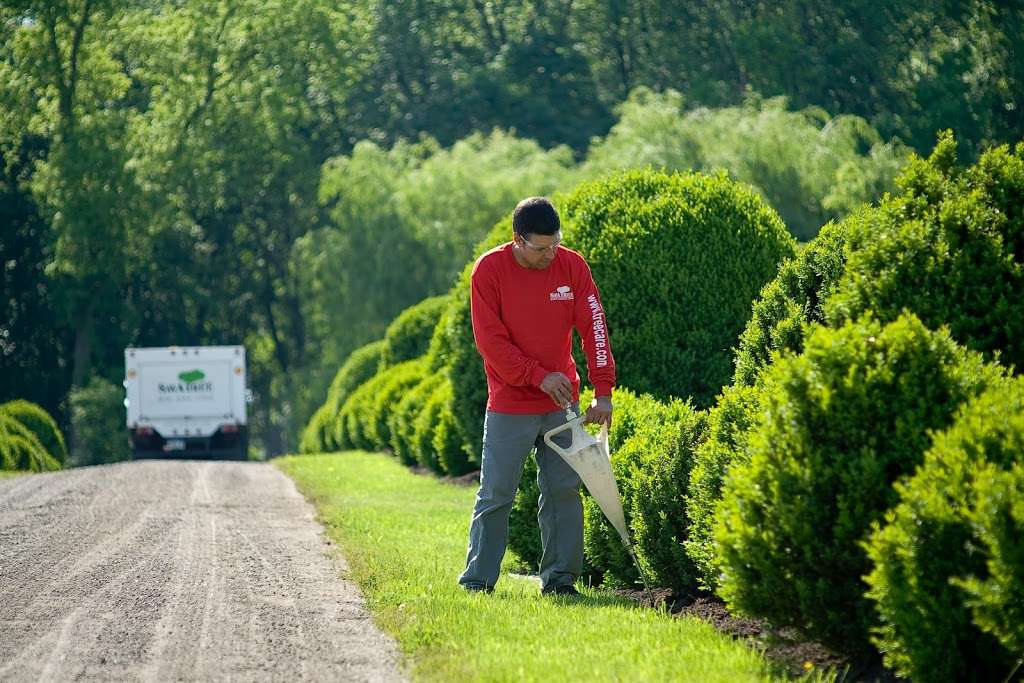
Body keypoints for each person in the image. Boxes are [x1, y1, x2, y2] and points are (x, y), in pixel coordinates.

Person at [458, 196, 616, 596]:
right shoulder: (489, 271)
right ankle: (477, 580)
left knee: (563, 491)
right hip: (510, 403)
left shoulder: (572, 266)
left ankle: (561, 581)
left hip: (563, 404)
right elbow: (490, 341)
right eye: (541, 248)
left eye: (555, 244)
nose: (551, 254)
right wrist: (536, 376)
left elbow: (594, 326)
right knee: (496, 493)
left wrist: (603, 391)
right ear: (517, 240)